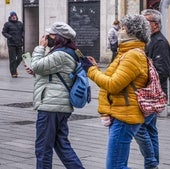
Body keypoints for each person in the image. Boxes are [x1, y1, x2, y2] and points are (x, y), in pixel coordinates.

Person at [80, 14, 151, 169]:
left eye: (123, 28)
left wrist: (90, 71)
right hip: (122, 113)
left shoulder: (132, 55)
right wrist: (96, 69)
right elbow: (115, 80)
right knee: (118, 164)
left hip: (125, 116)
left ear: (132, 32)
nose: (119, 30)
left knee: (115, 166)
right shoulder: (126, 53)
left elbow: (113, 85)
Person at [26, 22, 85, 169]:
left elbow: (38, 66)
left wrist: (40, 48)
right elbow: (52, 75)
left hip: (51, 106)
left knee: (43, 149)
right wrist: (35, 72)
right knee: (62, 146)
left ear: (59, 37)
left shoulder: (60, 54)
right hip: (59, 105)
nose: (46, 37)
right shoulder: (67, 52)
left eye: (50, 35)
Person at [134, 9, 170, 169]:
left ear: (155, 24)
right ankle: (152, 163)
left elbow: (162, 70)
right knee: (150, 129)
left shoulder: (160, 42)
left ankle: (151, 162)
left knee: (140, 127)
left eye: (145, 21)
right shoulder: (150, 40)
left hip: (152, 95)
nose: (142, 24)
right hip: (150, 95)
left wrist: (140, 79)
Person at [2, 11, 24, 78]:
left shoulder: (20, 23)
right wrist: (10, 37)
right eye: (13, 16)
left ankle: (14, 68)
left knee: (20, 57)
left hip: (19, 43)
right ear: (10, 17)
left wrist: (22, 36)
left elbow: (23, 31)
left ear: (16, 16)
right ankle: (13, 73)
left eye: (15, 15)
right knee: (13, 59)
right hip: (11, 44)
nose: (14, 16)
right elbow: (3, 32)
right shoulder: (7, 24)